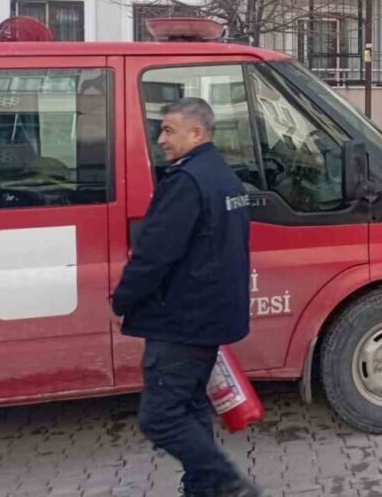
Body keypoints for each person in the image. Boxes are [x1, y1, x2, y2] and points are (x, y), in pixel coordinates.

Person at [111, 98, 258, 497]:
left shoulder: (186, 182)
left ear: (197, 132)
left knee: (160, 417)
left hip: (181, 320)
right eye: (161, 130)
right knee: (191, 406)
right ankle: (202, 488)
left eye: (169, 130)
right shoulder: (223, 175)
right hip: (209, 316)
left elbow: (154, 254)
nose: (161, 139)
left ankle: (225, 482)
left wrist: (121, 300)